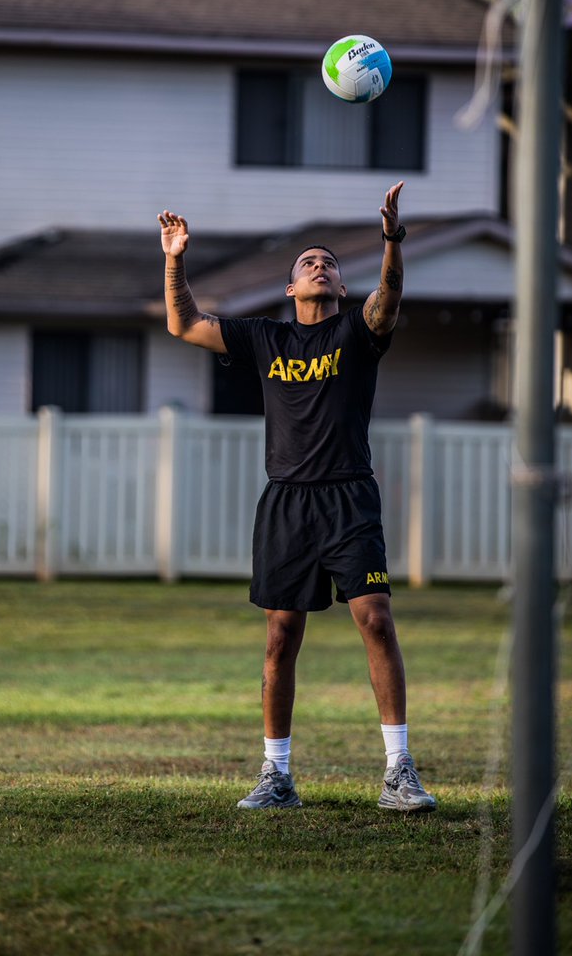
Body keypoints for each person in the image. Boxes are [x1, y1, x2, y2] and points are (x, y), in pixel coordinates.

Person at [158, 182, 435, 814]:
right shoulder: (264, 338)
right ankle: (276, 777)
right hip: (286, 501)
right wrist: (175, 258)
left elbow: (387, 299)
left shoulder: (358, 334)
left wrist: (392, 240)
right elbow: (183, 323)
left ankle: (399, 772)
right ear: (290, 289)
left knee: (376, 618)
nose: (319, 265)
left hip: (348, 498)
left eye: (330, 264)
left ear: (340, 288)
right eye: (308, 263)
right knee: (281, 637)